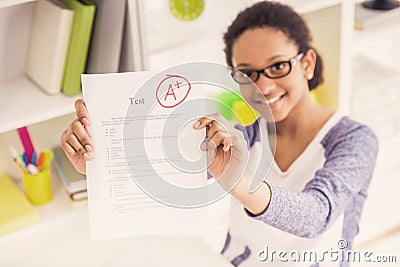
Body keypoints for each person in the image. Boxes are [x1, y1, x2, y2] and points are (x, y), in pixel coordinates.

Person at [60, 1, 378, 266]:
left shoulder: (354, 141)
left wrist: (237, 182)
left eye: (278, 66)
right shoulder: (241, 131)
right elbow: (170, 180)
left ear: (307, 63)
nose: (264, 85)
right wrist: (100, 164)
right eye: (247, 73)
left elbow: (315, 215)